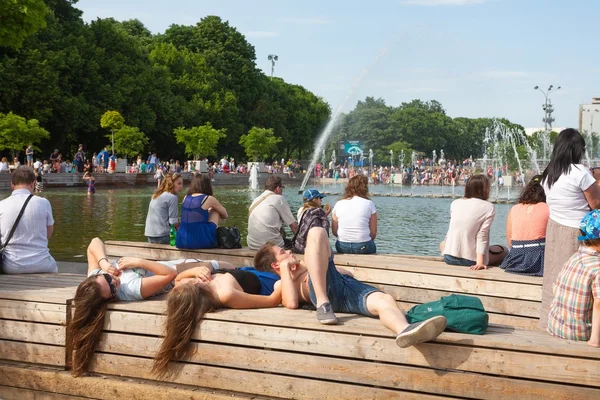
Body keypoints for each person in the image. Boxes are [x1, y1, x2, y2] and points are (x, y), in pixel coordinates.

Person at [253, 227, 447, 347]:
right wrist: (287, 270)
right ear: (275, 265)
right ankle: (322, 303)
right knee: (316, 232)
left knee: (384, 300)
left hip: (345, 288)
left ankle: (404, 330)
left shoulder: (306, 264)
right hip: (322, 294)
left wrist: (313, 266)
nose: (288, 250)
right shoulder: (282, 282)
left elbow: (347, 274)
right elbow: (291, 302)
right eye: (282, 252)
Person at [68, 237, 231, 376]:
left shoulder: (96, 281)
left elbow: (94, 243)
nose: (114, 281)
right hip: (184, 271)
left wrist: (103, 264)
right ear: (109, 298)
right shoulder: (129, 289)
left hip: (179, 266)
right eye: (112, 289)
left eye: (107, 278)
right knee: (230, 268)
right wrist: (139, 262)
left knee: (232, 268)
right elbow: (169, 275)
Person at [151, 261, 282, 376]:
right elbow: (272, 300)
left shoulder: (196, 286)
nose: (194, 279)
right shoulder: (226, 294)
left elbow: (178, 279)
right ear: (197, 296)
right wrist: (286, 276)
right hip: (267, 280)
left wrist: (195, 270)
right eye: (193, 283)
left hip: (244, 270)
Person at [539, 129, 600, 330]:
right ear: (577, 150)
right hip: (577, 231)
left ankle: (550, 319)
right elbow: (596, 204)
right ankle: (577, 323)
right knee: (579, 276)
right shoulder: (580, 172)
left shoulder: (549, 172)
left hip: (554, 227)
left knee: (554, 274)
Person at [547, 210, 600, 348]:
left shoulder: (574, 258)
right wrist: (595, 340)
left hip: (557, 326)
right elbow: (599, 304)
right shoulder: (597, 268)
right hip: (582, 333)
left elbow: (556, 288)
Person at [440, 174, 508, 270]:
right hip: (470, 260)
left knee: (443, 243)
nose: (490, 190)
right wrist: (480, 262)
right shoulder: (488, 207)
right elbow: (482, 235)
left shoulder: (455, 203)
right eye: (488, 188)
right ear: (483, 189)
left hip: (449, 257)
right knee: (503, 250)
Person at [0, 167, 56, 273]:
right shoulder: (44, 203)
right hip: (42, 264)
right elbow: (48, 234)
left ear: (12, 184)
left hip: (11, 266)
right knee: (52, 264)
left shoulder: (1, 205)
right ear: (33, 184)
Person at [499, 175, 549, 276]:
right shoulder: (549, 208)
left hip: (515, 259)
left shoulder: (514, 209)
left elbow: (510, 243)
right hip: (539, 259)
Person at [176, 173, 228, 249]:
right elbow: (225, 215)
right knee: (216, 211)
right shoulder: (208, 198)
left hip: (181, 240)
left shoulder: (186, 197)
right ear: (207, 185)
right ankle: (213, 239)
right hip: (199, 242)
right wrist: (211, 210)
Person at [247, 175, 298, 250]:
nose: (282, 191)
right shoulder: (278, 199)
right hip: (272, 246)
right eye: (282, 188)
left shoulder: (256, 200)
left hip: (253, 245)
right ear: (277, 188)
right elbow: (294, 226)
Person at [331, 175, 377, 254]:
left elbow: (335, 231)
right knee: (371, 245)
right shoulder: (369, 204)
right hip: (363, 246)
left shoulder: (338, 204)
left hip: (342, 246)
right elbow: (373, 232)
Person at [145, 173, 183, 244]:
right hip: (163, 236)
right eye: (179, 184)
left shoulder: (155, 196)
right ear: (171, 184)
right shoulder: (172, 198)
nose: (181, 187)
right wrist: (181, 222)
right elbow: (173, 222)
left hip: (150, 235)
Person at [293, 189, 331, 254]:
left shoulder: (302, 210)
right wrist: (325, 215)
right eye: (319, 198)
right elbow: (325, 234)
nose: (321, 200)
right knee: (330, 252)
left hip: (299, 246)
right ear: (314, 200)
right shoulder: (319, 212)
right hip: (311, 249)